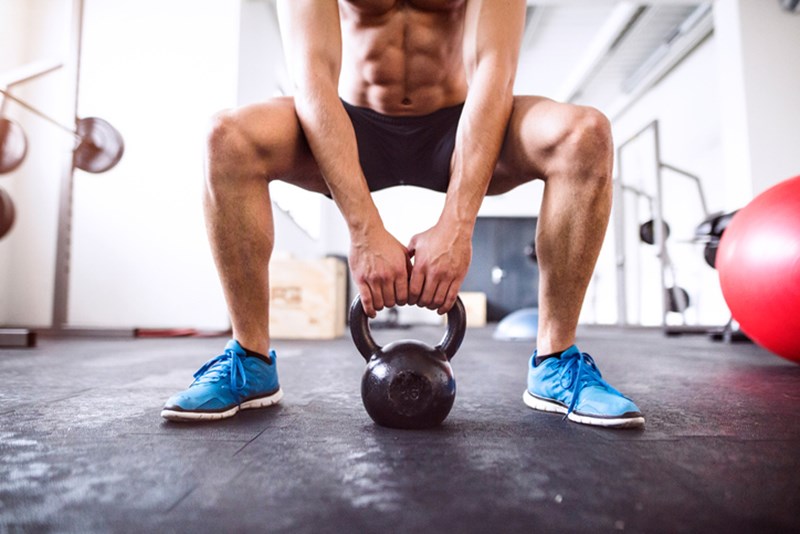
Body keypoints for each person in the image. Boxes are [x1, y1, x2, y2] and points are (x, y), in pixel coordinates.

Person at [161, 0, 645, 429]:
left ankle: (555, 362)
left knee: (584, 135)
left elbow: (493, 73)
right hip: (350, 124)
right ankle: (250, 361)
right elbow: (312, 80)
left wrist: (457, 226)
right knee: (226, 138)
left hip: (460, 126)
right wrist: (363, 230)